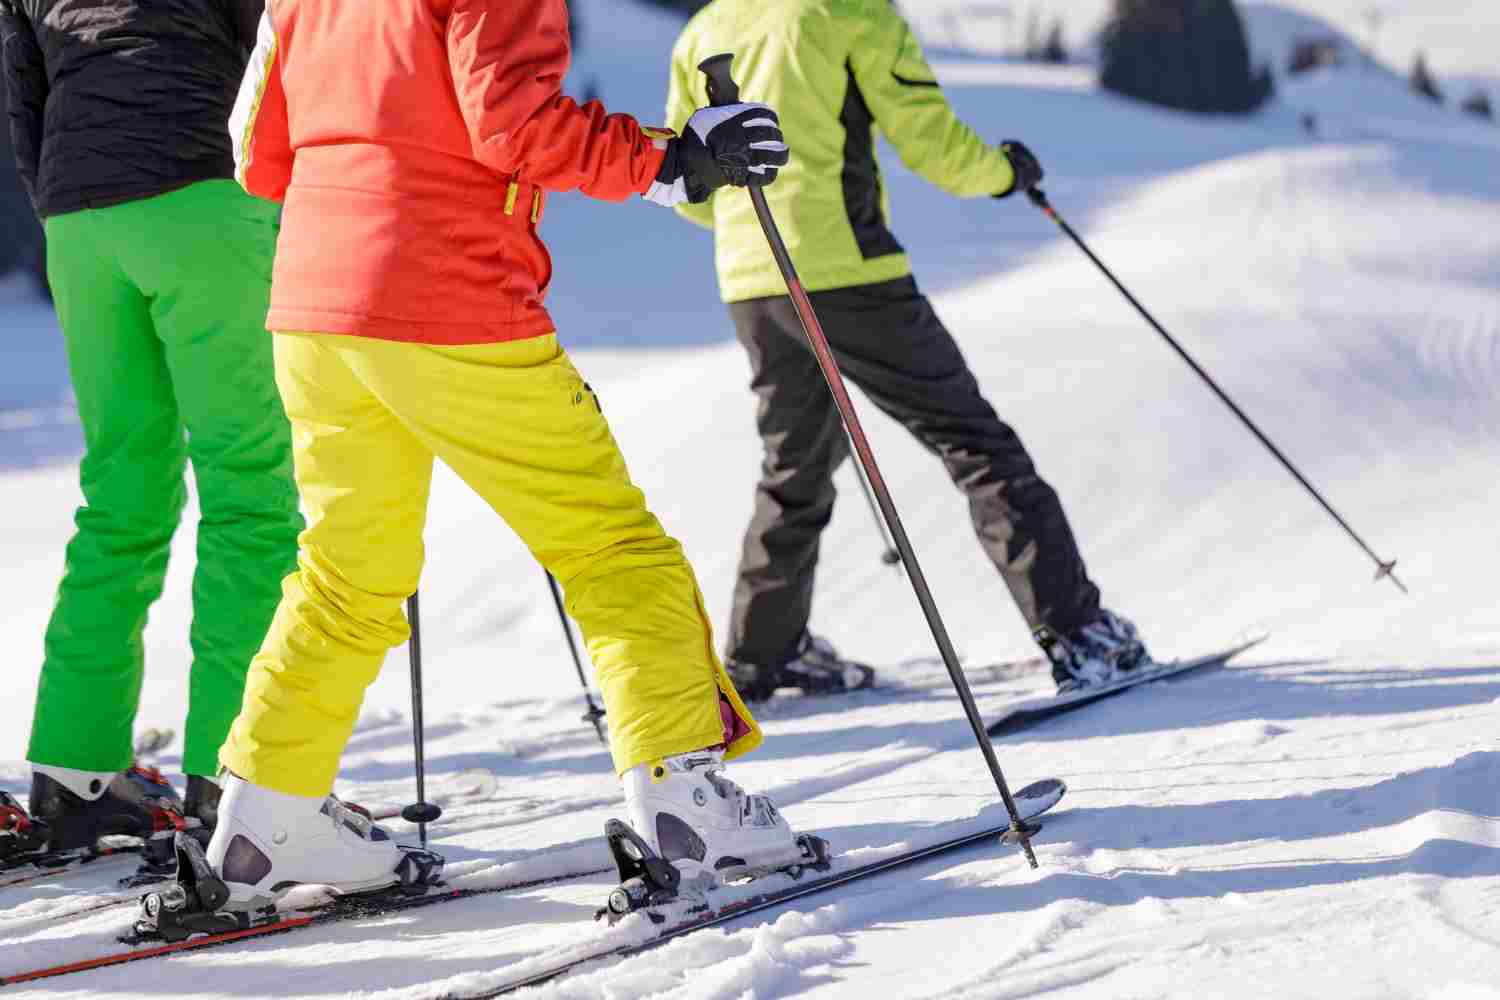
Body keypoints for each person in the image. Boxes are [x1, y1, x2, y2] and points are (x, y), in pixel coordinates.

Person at [206, 0, 803, 908]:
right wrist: (672, 161)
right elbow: (513, 123)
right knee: (610, 547)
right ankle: (684, 802)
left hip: (314, 310)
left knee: (344, 574)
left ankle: (267, 814)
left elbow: (256, 153)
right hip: (447, 293)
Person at [666, 0, 1150, 701]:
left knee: (793, 469)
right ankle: (1081, 635)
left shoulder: (705, 28)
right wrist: (1005, 172)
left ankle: (761, 656)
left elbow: (691, 188)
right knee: (974, 442)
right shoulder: (848, 12)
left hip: (753, 282)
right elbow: (932, 145)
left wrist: (747, 223)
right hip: (847, 272)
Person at [1, 0, 302, 851]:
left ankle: (74, 769)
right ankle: (240, 777)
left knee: (120, 497)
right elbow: (279, 54)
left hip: (77, 220)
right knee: (251, 494)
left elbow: (24, 93)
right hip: (202, 193)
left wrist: (66, 203)